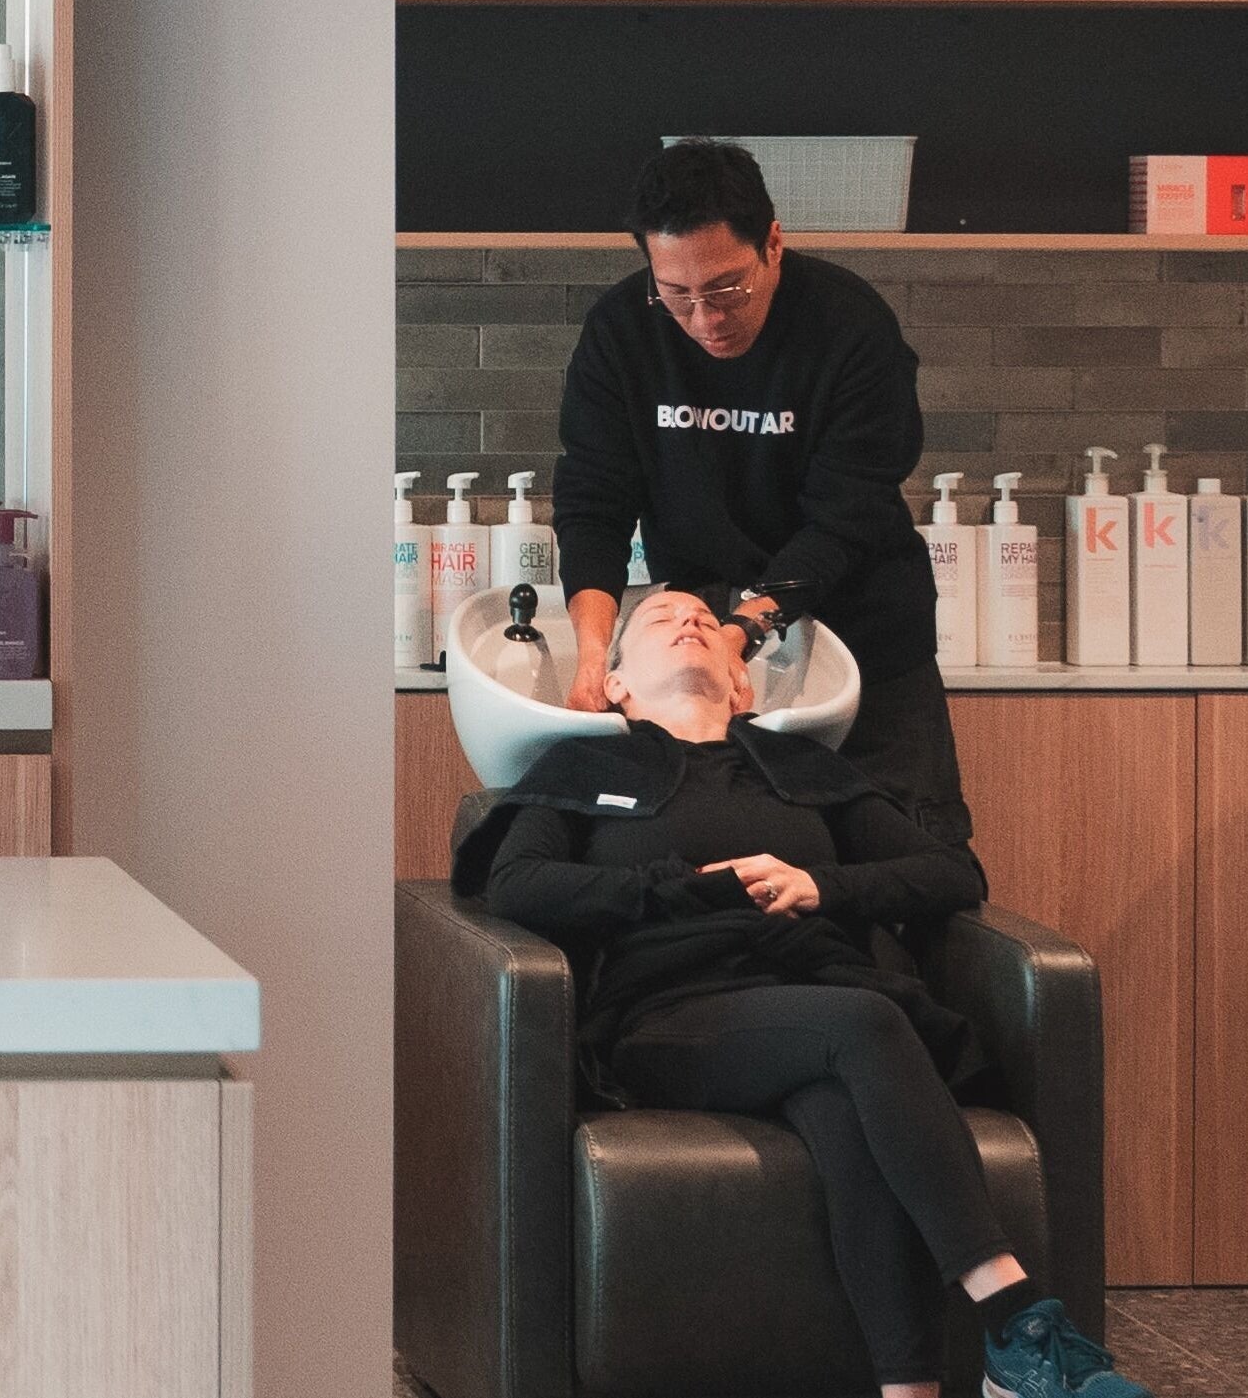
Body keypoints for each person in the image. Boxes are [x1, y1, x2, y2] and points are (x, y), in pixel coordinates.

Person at [460, 589, 1146, 1398]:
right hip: (672, 1016)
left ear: (742, 684)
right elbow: (518, 883)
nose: (687, 620)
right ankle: (1017, 1319)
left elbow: (950, 873)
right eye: (658, 619)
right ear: (616, 687)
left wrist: (820, 884)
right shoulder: (582, 767)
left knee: (843, 1110)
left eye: (706, 621)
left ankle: (909, 1390)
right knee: (860, 1025)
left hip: (816, 998)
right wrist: (679, 889)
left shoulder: (806, 771)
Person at [553, 139, 970, 845]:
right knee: (729, 853)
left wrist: (743, 630)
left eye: (726, 289)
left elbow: (847, 516)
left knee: (905, 857)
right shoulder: (621, 330)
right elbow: (592, 500)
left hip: (864, 642)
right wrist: (595, 657)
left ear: (773, 243)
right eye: (677, 294)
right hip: (715, 642)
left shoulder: (849, 327)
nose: (705, 319)